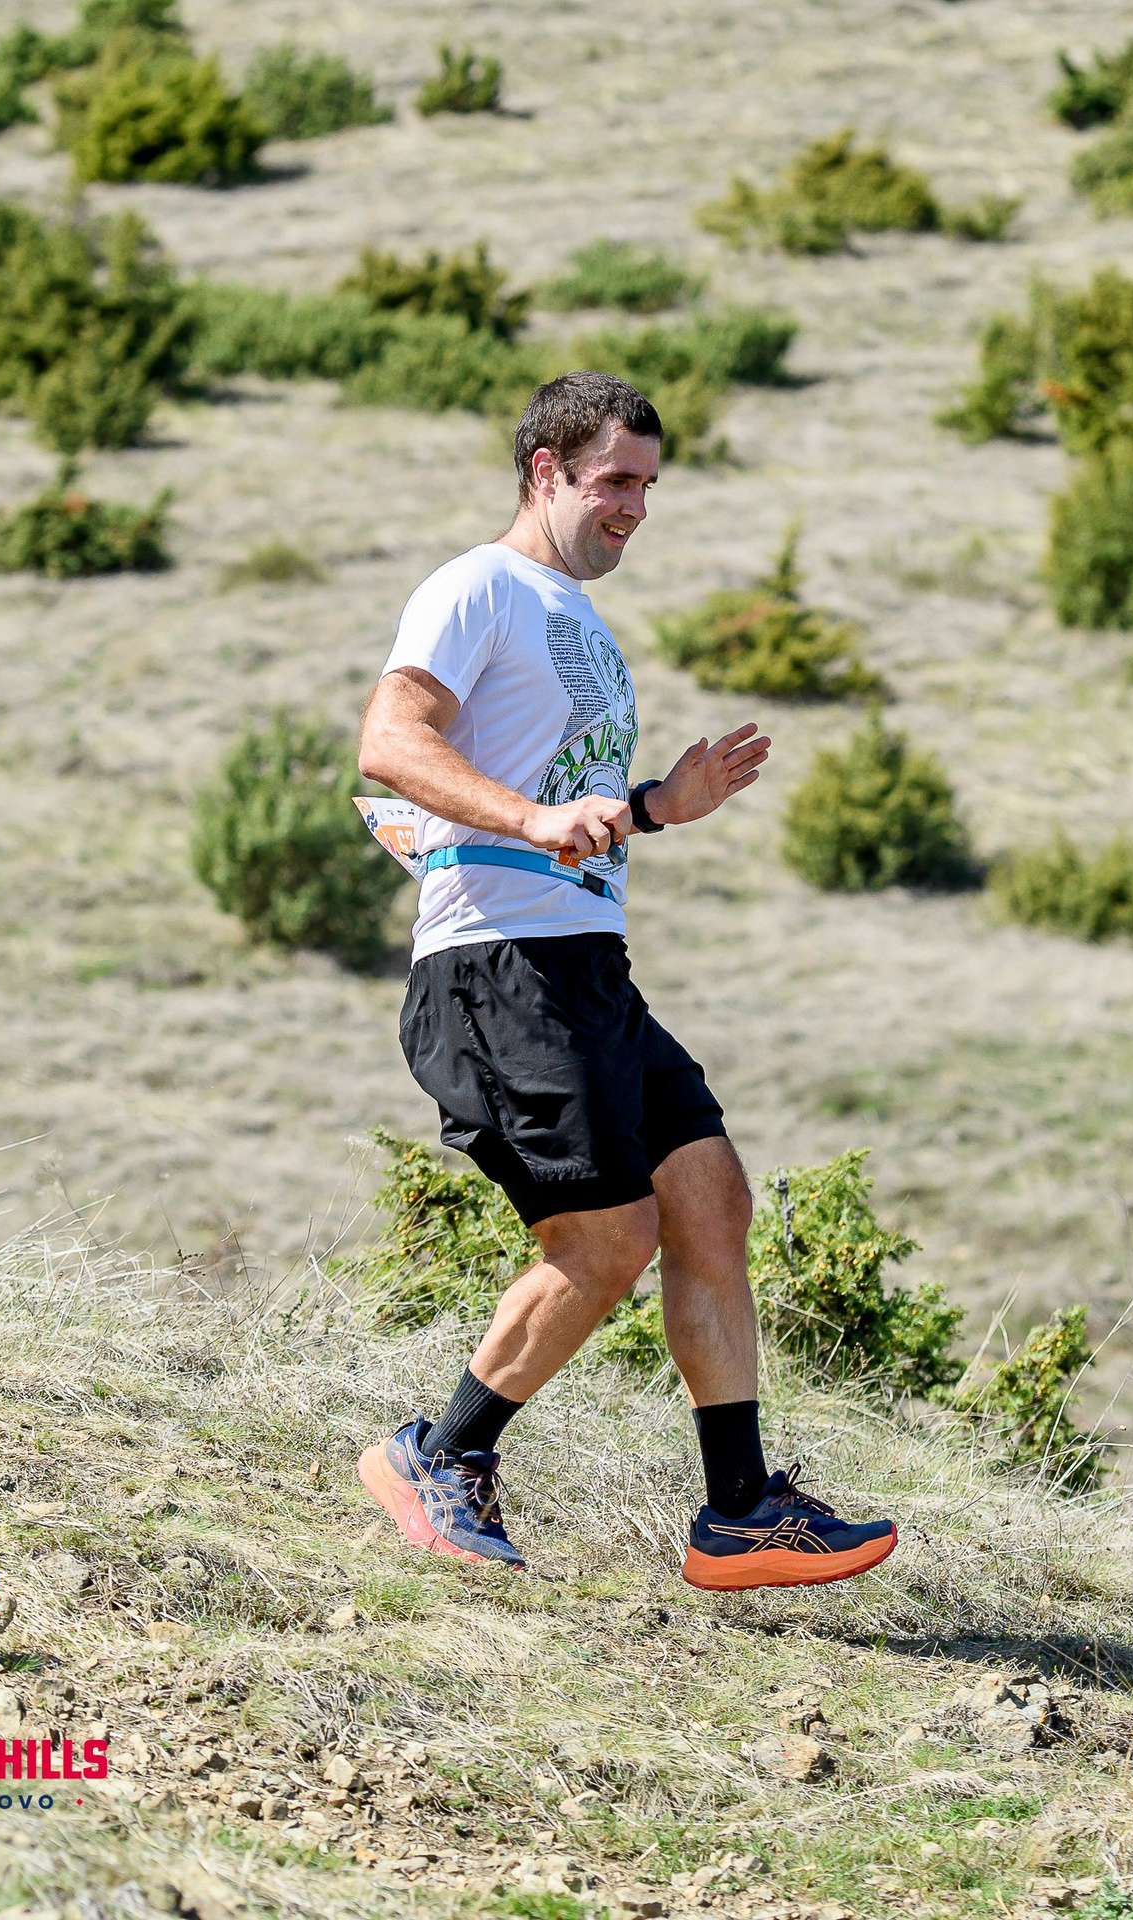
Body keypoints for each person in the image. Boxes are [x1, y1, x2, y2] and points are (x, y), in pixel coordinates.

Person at [352, 370, 896, 1591]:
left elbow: (555, 805)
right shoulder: (474, 585)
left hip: (583, 962)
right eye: (614, 482)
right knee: (604, 1236)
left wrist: (656, 804)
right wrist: (537, 821)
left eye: (648, 486)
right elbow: (390, 745)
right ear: (546, 470)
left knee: (709, 1203)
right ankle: (438, 1456)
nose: (635, 509)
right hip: (502, 969)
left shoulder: (572, 613)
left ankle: (741, 1509)